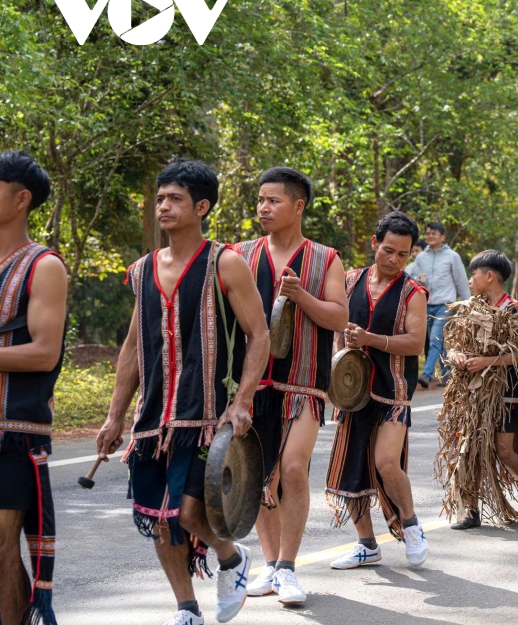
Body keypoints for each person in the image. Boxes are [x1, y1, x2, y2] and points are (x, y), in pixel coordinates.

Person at [96, 158, 270, 625]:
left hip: (206, 415)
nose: (164, 207)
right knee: (158, 517)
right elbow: (133, 348)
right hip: (153, 420)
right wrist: (115, 416)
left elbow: (260, 334)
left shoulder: (224, 262)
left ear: (202, 206)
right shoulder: (143, 270)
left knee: (191, 514)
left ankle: (232, 560)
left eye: (175, 199)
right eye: (159, 199)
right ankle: (186, 607)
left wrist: (243, 400)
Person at [234, 167, 348, 605]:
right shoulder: (241, 255)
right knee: (261, 476)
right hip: (253, 382)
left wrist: (301, 296)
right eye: (260, 200)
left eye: (273, 200)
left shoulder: (325, 258)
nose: (263, 208)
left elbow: (338, 317)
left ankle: (288, 567)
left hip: (304, 381)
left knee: (294, 468)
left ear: (298, 206)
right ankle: (268, 565)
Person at [324, 211, 430, 569]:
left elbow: (415, 343)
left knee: (386, 463)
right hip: (352, 392)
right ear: (374, 243)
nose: (394, 259)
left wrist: (370, 340)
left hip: (393, 390)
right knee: (352, 469)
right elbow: (335, 328)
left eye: (403, 254)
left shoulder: (413, 293)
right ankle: (366, 544)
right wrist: (337, 361)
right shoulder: (350, 281)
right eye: (388, 250)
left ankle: (411, 525)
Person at [0, 151, 68, 625]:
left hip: (13, 432)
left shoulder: (43, 266)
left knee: (1, 552)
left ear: (21, 199)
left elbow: (44, 351)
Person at [445, 250, 518, 529]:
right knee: (470, 448)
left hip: (506, 389)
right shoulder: (471, 309)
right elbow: (454, 345)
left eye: (473, 274)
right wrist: (458, 357)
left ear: (489, 276)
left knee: (504, 450)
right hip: (474, 390)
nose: (470, 280)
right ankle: (471, 510)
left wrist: (486, 361)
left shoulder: (514, 310)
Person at [406, 222, 469, 389]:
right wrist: (418, 282)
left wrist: (467, 305)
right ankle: (448, 374)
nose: (430, 236)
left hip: (444, 304)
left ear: (442, 236)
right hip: (425, 304)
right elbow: (412, 278)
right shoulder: (421, 257)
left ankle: (426, 375)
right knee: (438, 341)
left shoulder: (452, 257)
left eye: (434, 233)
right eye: (428, 233)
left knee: (435, 339)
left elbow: (461, 281)